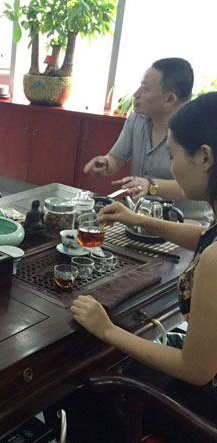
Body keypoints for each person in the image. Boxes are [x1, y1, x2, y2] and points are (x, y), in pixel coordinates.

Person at [72, 92, 217, 424]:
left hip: (203, 410)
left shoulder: (214, 262)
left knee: (82, 389)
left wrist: (106, 329)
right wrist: (137, 219)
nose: (172, 167)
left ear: (205, 157)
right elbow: (204, 237)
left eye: (173, 155)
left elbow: (195, 370)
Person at [83, 57, 212, 225]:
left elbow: (195, 184)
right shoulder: (136, 120)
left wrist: (150, 185)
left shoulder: (195, 130)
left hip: (188, 223)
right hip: (143, 218)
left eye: (145, 89)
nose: (136, 94)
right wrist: (105, 163)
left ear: (169, 99)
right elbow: (115, 158)